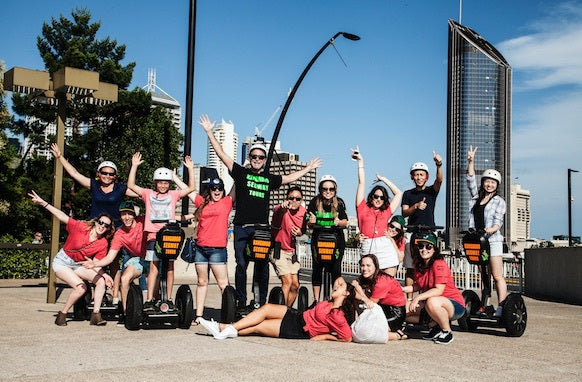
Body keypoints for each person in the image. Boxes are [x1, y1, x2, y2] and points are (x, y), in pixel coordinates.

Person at [199, 114, 321, 310]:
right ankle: (240, 300)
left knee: (262, 265)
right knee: (241, 265)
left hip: (261, 229)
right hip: (241, 227)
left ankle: (260, 301)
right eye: (254, 156)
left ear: (265, 160)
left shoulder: (268, 178)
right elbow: (221, 154)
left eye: (260, 157)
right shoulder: (241, 173)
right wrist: (209, 132)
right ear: (249, 158)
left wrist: (309, 168)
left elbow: (289, 179)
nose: (257, 159)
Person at [51, 143, 139, 305]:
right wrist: (60, 157)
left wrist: (165, 194)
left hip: (114, 231)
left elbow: (142, 193)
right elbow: (74, 174)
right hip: (94, 230)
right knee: (91, 263)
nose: (107, 176)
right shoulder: (94, 185)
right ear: (99, 174)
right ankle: (97, 292)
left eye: (111, 174)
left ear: (115, 176)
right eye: (104, 173)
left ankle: (115, 295)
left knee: (113, 263)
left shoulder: (120, 188)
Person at [28, 190, 115, 326]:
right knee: (81, 288)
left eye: (106, 225)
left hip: (78, 265)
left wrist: (105, 275)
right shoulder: (81, 227)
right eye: (101, 222)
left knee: (101, 282)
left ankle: (96, 315)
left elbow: (96, 264)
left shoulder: (103, 243)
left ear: (109, 229)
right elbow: (61, 216)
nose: (102, 226)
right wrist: (43, 203)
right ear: (96, 221)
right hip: (62, 262)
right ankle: (62, 314)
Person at [127, 152, 195, 311]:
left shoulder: (173, 194)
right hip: (153, 236)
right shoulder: (147, 194)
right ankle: (150, 299)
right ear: (155, 183)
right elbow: (131, 185)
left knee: (169, 266)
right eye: (160, 183)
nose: (163, 185)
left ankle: (169, 299)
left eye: (166, 183)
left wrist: (190, 169)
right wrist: (134, 166)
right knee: (154, 266)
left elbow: (191, 188)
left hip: (169, 236)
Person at [198, 277, 356, 341]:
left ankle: (221, 327)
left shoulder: (338, 316)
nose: (336, 286)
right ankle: (226, 328)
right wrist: (341, 284)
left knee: (259, 327)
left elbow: (347, 337)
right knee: (266, 308)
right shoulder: (328, 302)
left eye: (340, 287)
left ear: (346, 293)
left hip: (299, 329)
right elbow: (339, 279)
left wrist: (325, 337)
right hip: (297, 315)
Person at [175, 174, 233, 322]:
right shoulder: (202, 203)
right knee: (201, 282)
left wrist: (244, 170)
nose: (217, 191)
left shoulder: (227, 202)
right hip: (200, 249)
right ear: (210, 190)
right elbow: (187, 190)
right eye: (214, 188)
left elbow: (237, 184)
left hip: (217, 250)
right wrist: (174, 178)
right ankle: (199, 316)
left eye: (220, 188)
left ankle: (228, 316)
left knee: (223, 284)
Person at [80, 201, 148, 325]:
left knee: (155, 284)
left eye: (129, 214)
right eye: (123, 214)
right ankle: (127, 314)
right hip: (138, 259)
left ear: (135, 215)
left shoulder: (143, 222)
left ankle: (152, 305)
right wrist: (94, 264)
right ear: (120, 216)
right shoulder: (119, 234)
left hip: (152, 257)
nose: (126, 217)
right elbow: (110, 257)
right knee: (125, 278)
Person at [403, 232, 465, 345]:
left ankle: (447, 331)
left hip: (454, 304)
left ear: (434, 249)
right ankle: (433, 325)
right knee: (402, 310)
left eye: (428, 246)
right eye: (421, 246)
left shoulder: (438, 263)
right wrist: (402, 289)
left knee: (432, 301)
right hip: (432, 303)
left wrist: (417, 299)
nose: (424, 249)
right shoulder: (419, 264)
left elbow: (438, 290)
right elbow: (419, 285)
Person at [467, 145, 508, 317]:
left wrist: (491, 229)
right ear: (483, 182)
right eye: (487, 181)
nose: (489, 184)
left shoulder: (499, 201)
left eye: (493, 182)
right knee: (484, 275)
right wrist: (471, 161)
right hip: (479, 240)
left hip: (493, 240)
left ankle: (501, 307)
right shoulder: (477, 198)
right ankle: (485, 305)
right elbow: (470, 181)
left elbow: (498, 221)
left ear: (496, 185)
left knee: (497, 275)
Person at [353, 149, 403, 276]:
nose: (378, 199)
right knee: (369, 283)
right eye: (376, 196)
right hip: (368, 244)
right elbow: (361, 182)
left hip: (384, 246)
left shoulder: (386, 211)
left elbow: (399, 194)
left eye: (382, 197)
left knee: (388, 282)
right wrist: (360, 162)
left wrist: (384, 180)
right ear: (371, 197)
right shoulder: (362, 207)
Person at [401, 152, 443, 300]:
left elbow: (439, 180)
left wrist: (438, 165)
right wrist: (416, 206)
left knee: (429, 267)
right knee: (411, 269)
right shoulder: (408, 194)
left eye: (422, 174)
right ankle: (409, 300)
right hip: (413, 233)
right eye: (416, 174)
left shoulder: (431, 191)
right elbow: (405, 213)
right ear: (412, 176)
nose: (419, 177)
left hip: (429, 233)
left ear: (426, 177)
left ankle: (427, 298)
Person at [307, 175, 348, 302]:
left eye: (331, 189)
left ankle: (335, 300)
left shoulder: (339, 202)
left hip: (336, 240)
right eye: (325, 189)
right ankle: (316, 301)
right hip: (318, 238)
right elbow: (308, 221)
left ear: (335, 190)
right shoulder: (314, 201)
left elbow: (345, 222)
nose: (328, 191)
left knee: (335, 269)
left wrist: (338, 223)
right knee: (317, 268)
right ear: (320, 189)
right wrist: (311, 222)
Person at [351, 254, 408, 341]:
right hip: (382, 308)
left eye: (368, 265)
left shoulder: (382, 281)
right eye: (363, 265)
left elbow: (370, 304)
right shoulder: (367, 277)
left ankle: (397, 334)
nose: (365, 268)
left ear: (376, 266)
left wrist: (358, 288)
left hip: (395, 312)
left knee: (367, 332)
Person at [270, 186, 307, 307]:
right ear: (287, 199)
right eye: (291, 198)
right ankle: (282, 313)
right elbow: (278, 211)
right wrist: (283, 207)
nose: (294, 201)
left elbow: (304, 230)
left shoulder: (303, 212)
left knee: (295, 285)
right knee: (288, 281)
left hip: (292, 252)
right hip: (278, 249)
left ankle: (287, 309)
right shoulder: (281, 209)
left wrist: (300, 233)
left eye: (298, 198)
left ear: (301, 200)